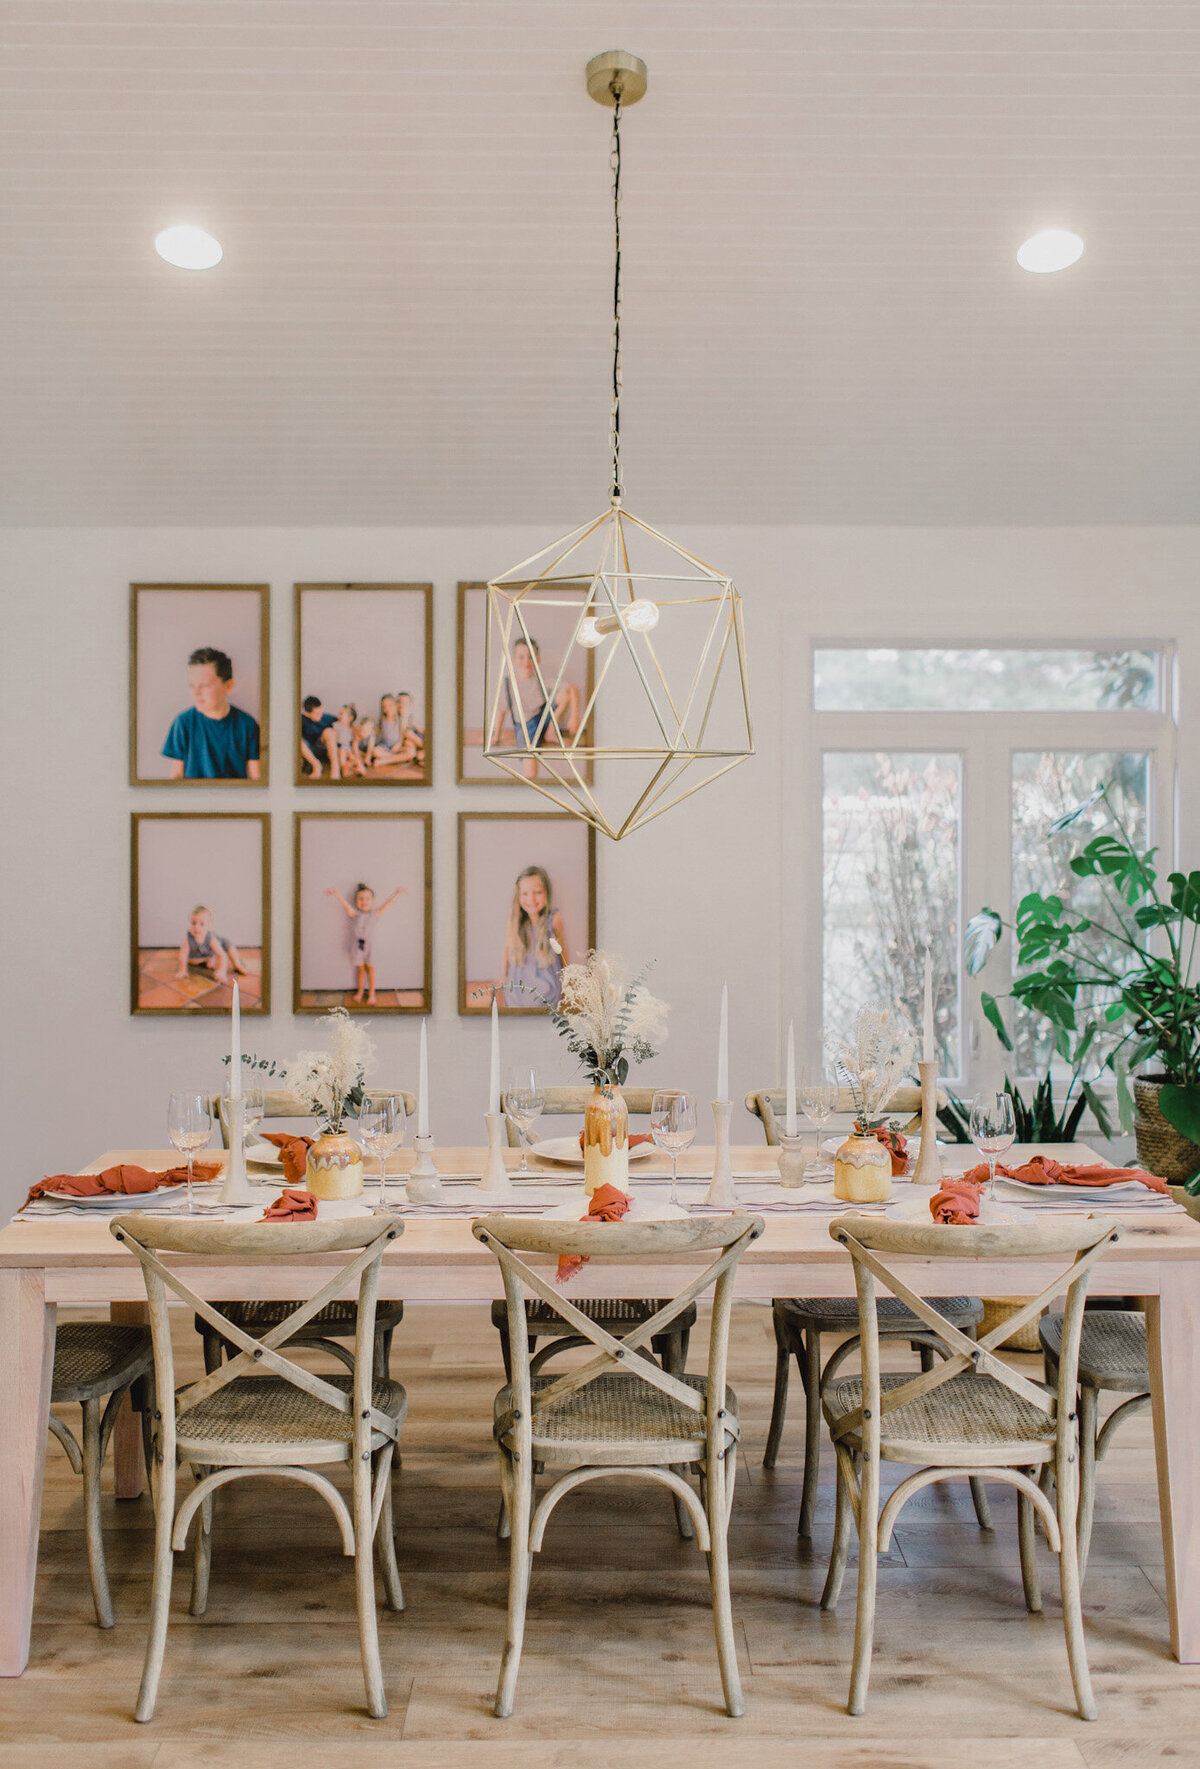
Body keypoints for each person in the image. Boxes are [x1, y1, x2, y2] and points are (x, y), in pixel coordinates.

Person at [162, 647, 261, 780]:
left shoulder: (247, 725)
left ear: (228, 686)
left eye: (204, 685)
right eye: (192, 685)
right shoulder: (182, 723)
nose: (196, 693)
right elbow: (176, 775)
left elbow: (256, 777)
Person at [491, 637, 580, 781]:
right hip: (526, 726)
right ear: (513, 660)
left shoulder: (540, 679)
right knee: (531, 772)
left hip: (543, 718)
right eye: (521, 657)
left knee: (563, 693)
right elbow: (501, 710)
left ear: (537, 660)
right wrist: (496, 735)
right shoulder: (508, 683)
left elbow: (573, 689)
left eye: (531, 657)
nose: (526, 662)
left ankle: (551, 733)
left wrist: (574, 717)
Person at [324, 882, 407, 1004]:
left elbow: (385, 905)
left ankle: (372, 994)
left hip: (371, 947)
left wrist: (396, 894)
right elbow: (346, 906)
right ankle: (360, 992)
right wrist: (337, 895)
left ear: (372, 901)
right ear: (356, 901)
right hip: (358, 947)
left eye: (367, 899)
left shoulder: (374, 915)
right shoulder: (355, 914)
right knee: (361, 970)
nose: (364, 901)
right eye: (361, 899)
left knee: (371, 971)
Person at [499, 865, 567, 1008]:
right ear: (518, 897)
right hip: (520, 978)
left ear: (547, 893)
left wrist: (569, 979)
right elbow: (507, 948)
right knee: (514, 999)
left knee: (540, 1001)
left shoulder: (554, 919)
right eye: (524, 894)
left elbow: (563, 951)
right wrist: (503, 976)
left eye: (537, 892)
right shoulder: (515, 920)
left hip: (546, 979)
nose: (531, 899)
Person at [173, 906, 248, 985]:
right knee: (192, 961)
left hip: (218, 946)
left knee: (228, 944)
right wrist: (182, 970)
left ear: (209, 926)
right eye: (193, 923)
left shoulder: (211, 938)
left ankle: (238, 965)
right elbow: (182, 955)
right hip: (201, 954)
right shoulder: (188, 938)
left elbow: (222, 955)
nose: (197, 927)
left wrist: (221, 972)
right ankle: (210, 959)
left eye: (202, 924)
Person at [300, 695, 340, 779]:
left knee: (329, 731)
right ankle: (317, 766)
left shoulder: (325, 717)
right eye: (317, 713)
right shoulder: (302, 720)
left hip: (322, 747)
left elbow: (343, 721)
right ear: (307, 714)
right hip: (308, 750)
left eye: (321, 711)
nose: (320, 715)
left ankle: (335, 769)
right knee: (297, 739)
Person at [332, 704, 366, 776]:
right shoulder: (337, 725)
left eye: (342, 714)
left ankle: (359, 768)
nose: (339, 716)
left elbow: (357, 738)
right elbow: (332, 739)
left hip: (348, 749)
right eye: (339, 714)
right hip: (339, 748)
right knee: (343, 752)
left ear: (350, 718)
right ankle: (345, 767)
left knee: (354, 757)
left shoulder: (352, 729)